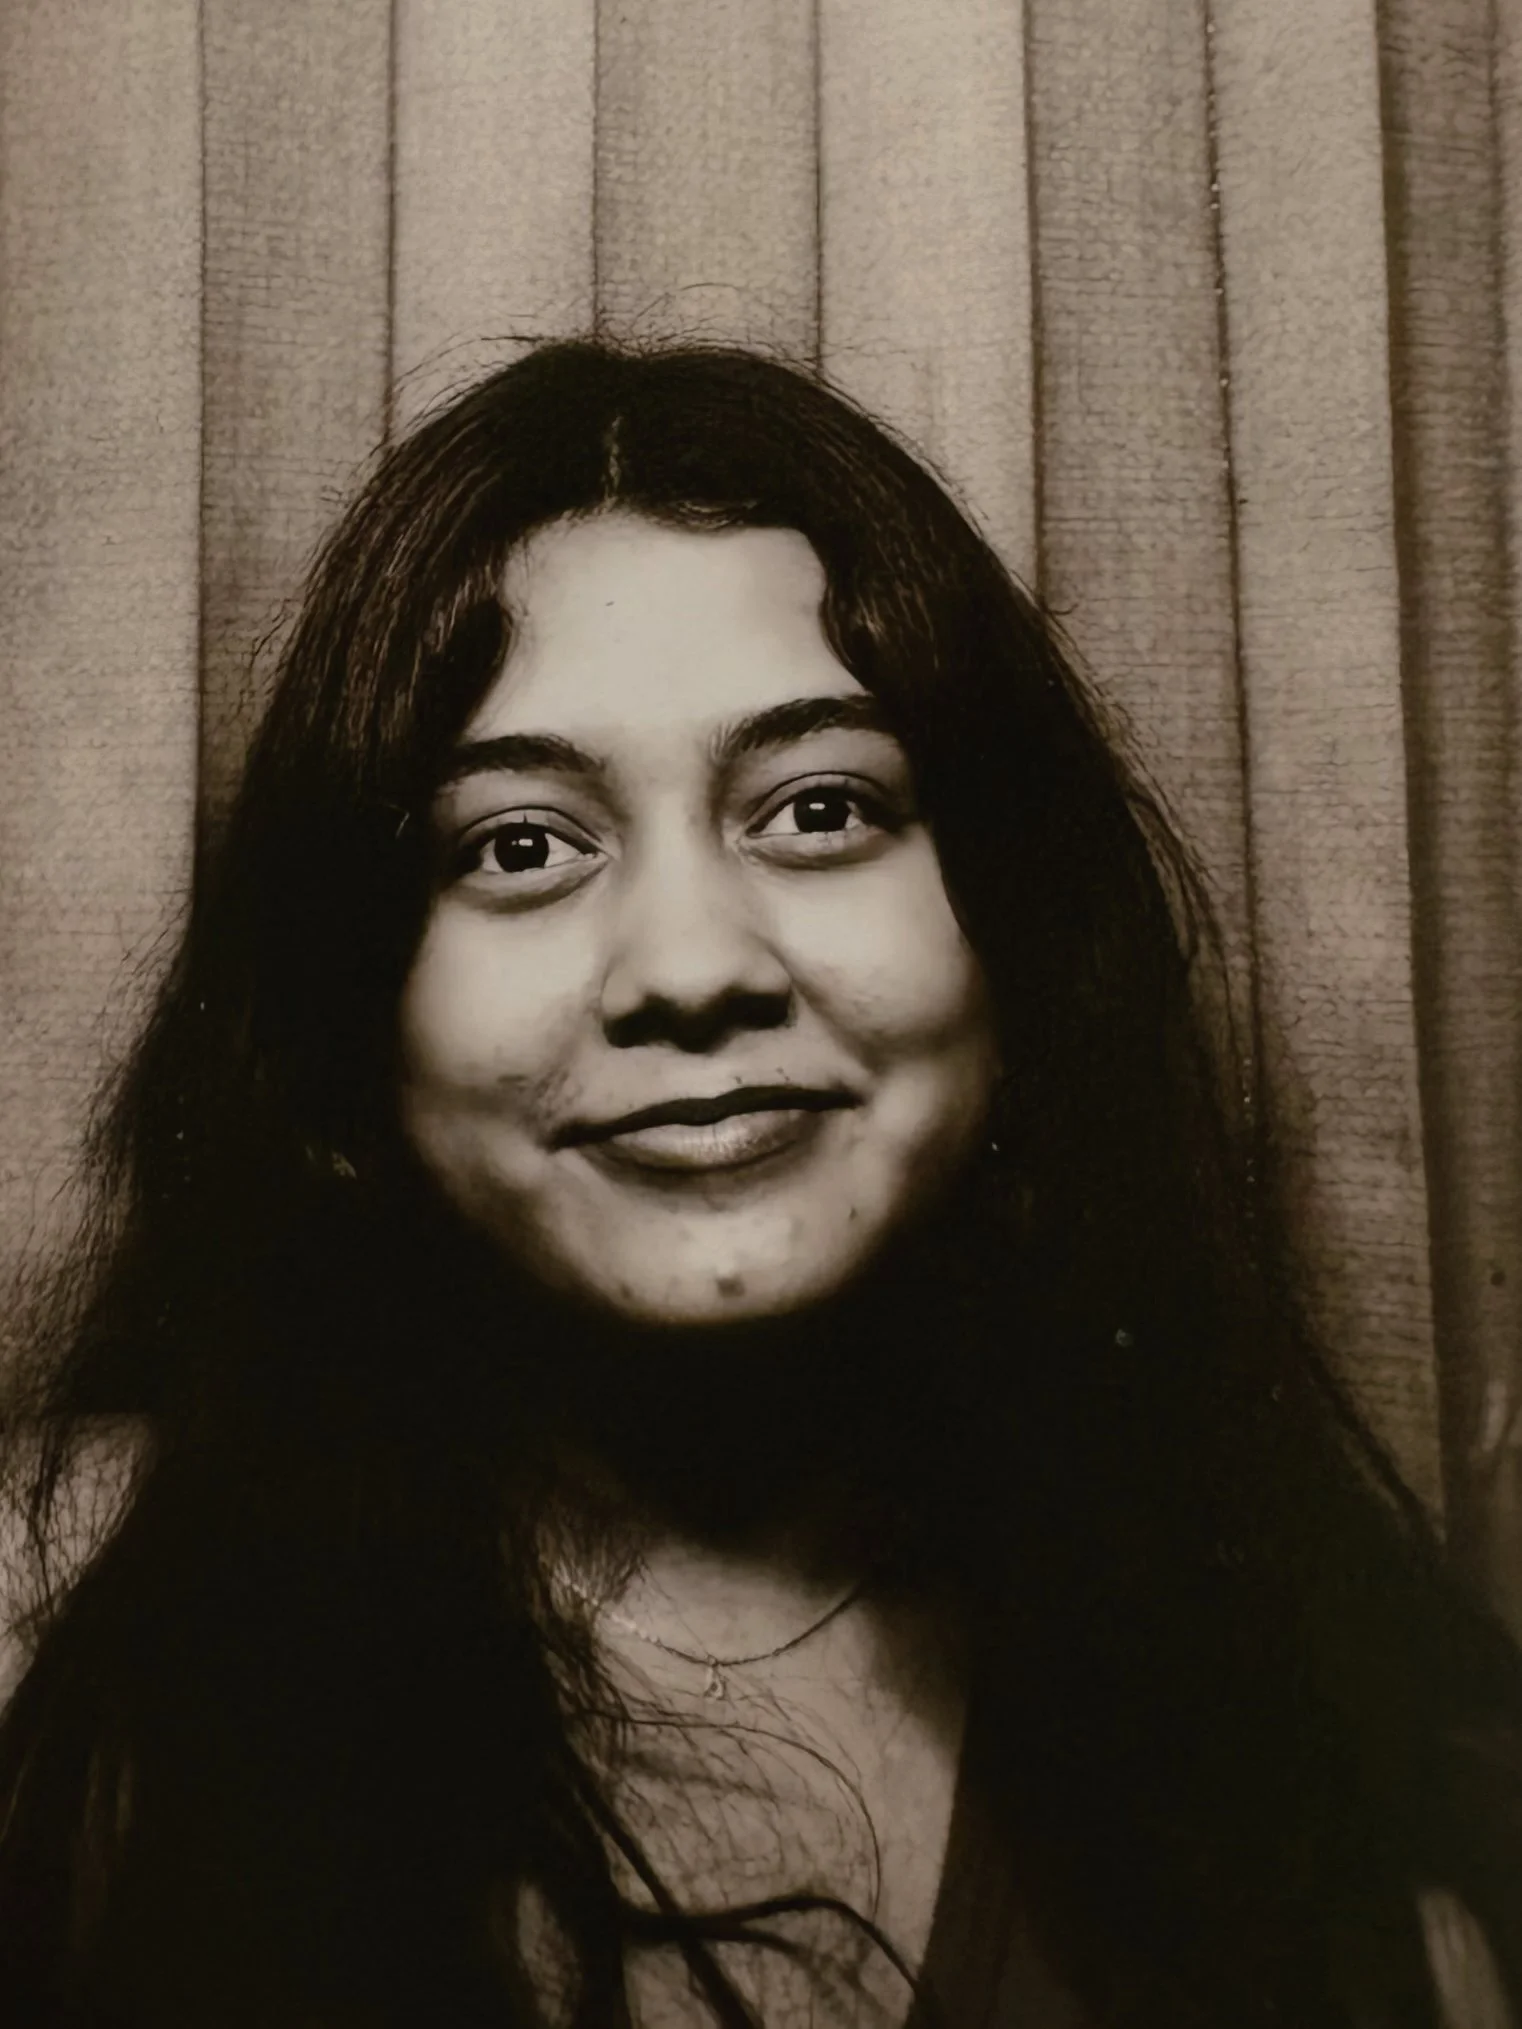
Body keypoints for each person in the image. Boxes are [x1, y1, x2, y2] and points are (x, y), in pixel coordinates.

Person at [0, 338, 1517, 2029]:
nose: (690, 964)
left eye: (817, 808)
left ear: (1015, 952)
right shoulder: (55, 1634)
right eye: (518, 844)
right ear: (351, 1029)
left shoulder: (1364, 1816)